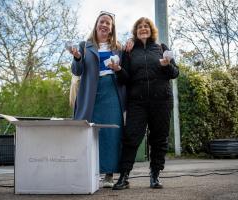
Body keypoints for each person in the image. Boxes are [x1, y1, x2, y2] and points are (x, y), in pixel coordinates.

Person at [110, 17, 179, 189]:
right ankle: (124, 176)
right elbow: (125, 78)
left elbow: (175, 73)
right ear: (136, 30)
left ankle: (155, 175)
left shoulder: (162, 48)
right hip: (137, 102)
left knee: (159, 139)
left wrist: (165, 65)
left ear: (151, 29)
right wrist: (118, 70)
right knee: (131, 138)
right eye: (140, 27)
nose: (143, 29)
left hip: (161, 101)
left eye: (146, 26)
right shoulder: (129, 51)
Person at [68, 11, 125, 188]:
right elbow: (76, 71)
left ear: (112, 28)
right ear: (96, 24)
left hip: (111, 91)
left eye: (108, 23)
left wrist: (118, 68)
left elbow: (125, 73)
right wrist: (77, 57)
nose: (105, 25)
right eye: (102, 21)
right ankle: (90, 171)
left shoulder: (119, 48)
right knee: (89, 131)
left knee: (111, 132)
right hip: (90, 92)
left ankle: (109, 174)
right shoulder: (85, 45)